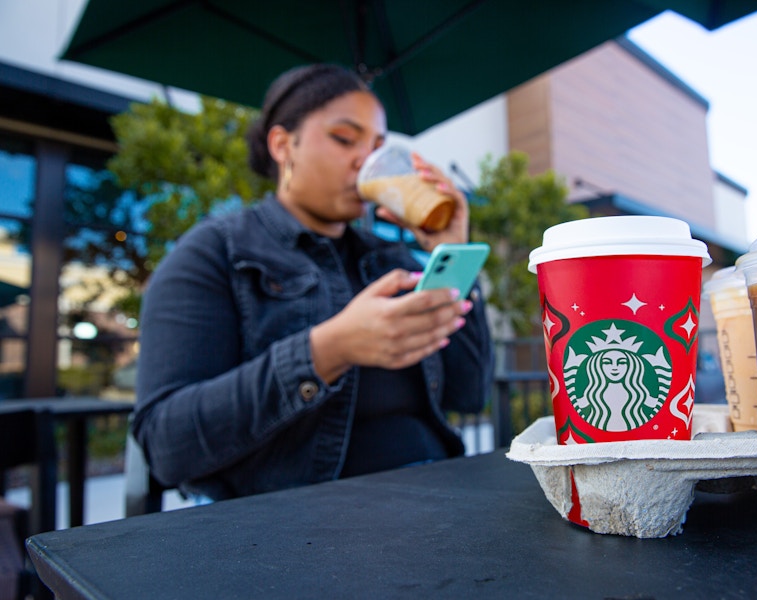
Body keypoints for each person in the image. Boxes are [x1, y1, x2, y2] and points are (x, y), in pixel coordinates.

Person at [133, 64, 493, 500]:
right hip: (294, 526)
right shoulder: (216, 253)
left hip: (435, 496)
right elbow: (167, 444)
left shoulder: (388, 258)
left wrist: (453, 255)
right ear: (283, 145)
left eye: (378, 147)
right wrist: (328, 351)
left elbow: (470, 392)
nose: (366, 160)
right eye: (345, 139)